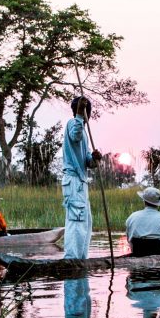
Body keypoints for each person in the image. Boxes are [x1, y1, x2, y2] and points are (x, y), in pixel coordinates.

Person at [62, 96, 102, 259]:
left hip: (80, 182)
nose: (88, 114)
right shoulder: (73, 123)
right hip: (73, 180)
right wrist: (79, 114)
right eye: (86, 110)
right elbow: (75, 135)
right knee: (76, 221)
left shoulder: (84, 132)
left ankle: (81, 258)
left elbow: (87, 161)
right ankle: (72, 259)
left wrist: (95, 159)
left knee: (85, 222)